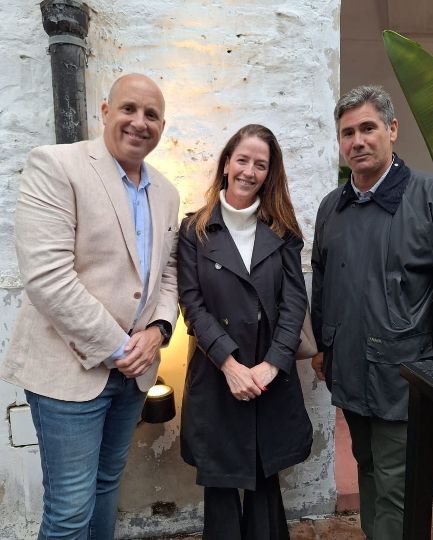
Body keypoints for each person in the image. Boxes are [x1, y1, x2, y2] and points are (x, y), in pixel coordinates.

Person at [0, 73, 179, 539]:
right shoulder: (56, 165)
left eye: (152, 115)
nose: (139, 122)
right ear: (105, 111)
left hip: (134, 375)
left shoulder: (167, 192)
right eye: (128, 109)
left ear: (162, 126)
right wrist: (121, 348)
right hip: (69, 372)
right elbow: (48, 278)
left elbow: (167, 273)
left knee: (105, 487)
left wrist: (158, 330)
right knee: (69, 511)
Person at [178, 124, 313, 540]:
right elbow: (191, 303)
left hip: (268, 373)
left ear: (269, 173)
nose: (249, 171)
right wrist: (230, 365)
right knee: (220, 479)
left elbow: (294, 304)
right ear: (226, 164)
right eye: (242, 160)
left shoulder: (283, 230)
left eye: (260, 164)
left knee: (263, 477)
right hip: (217, 372)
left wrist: (271, 366)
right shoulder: (195, 230)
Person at [311, 85, 433, 540]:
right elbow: (322, 280)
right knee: (367, 468)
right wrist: (322, 346)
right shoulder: (333, 206)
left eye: (368, 128)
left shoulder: (425, 197)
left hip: (405, 377)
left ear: (392, 129)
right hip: (349, 367)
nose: (357, 141)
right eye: (348, 133)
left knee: (398, 484)